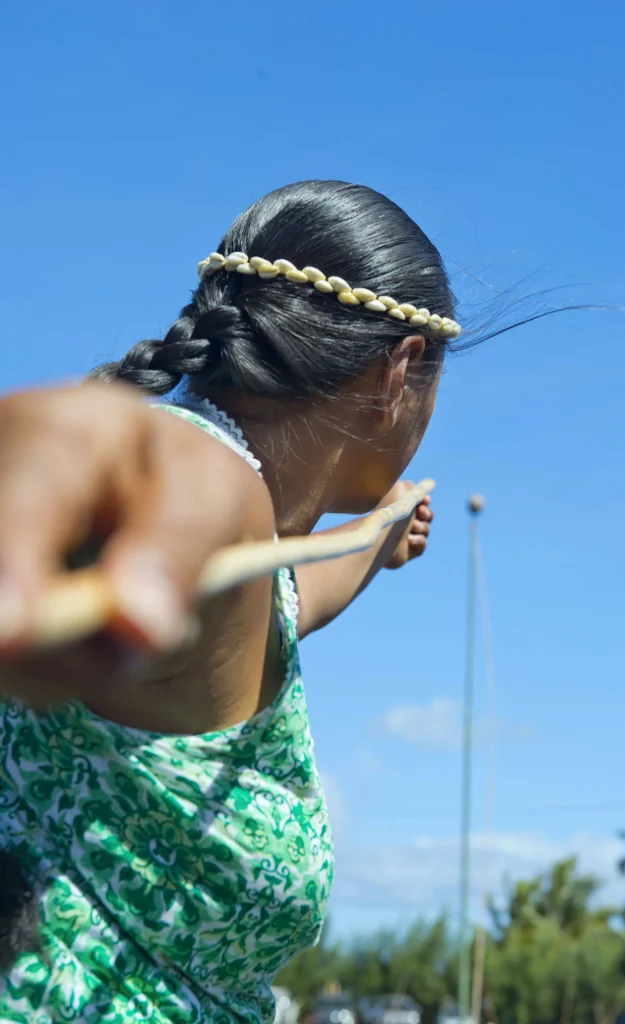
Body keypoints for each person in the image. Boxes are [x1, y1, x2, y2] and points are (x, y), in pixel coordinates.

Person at [0, 180, 457, 1023]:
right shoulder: (215, 483)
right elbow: (177, 475)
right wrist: (90, 446)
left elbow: (297, 590)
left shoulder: (256, 581)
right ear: (400, 372)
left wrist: (384, 532)